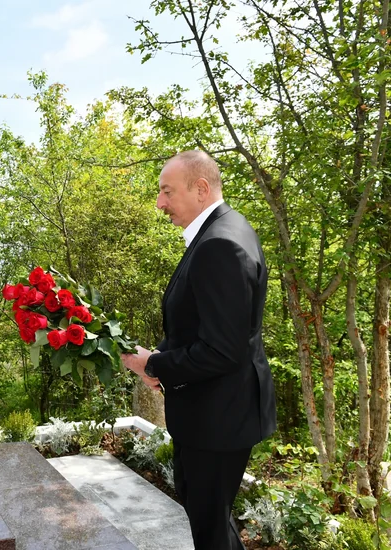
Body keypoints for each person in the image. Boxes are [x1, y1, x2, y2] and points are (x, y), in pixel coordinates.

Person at [123, 151, 277, 550]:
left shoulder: (219, 245)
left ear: (201, 189)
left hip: (218, 419)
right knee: (208, 518)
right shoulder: (226, 228)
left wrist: (154, 364)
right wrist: (157, 363)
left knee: (209, 528)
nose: (160, 203)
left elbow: (224, 350)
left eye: (167, 191)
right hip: (215, 411)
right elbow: (200, 325)